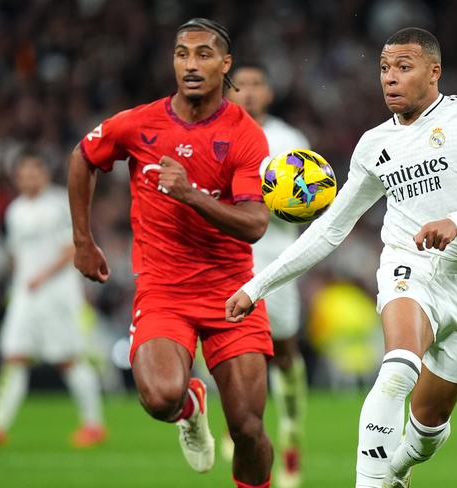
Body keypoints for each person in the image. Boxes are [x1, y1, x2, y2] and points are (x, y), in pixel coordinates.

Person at [226, 27, 457, 488]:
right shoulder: (374, 145)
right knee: (397, 369)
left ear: (434, 72)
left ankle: (396, 470)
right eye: (384, 69)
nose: (390, 79)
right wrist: (256, 287)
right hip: (409, 265)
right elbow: (330, 229)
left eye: (403, 67)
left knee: (427, 429)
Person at [67, 18, 274, 488]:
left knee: (247, 428)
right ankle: (189, 406)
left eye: (203, 54)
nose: (191, 64)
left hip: (231, 293)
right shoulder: (139, 123)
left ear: (226, 64)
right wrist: (83, 239)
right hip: (164, 289)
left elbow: (255, 225)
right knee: (160, 397)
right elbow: (83, 156)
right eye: (182, 54)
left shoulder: (245, 135)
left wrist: (190, 194)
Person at [0, 150, 106, 448]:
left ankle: (93, 425)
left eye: (34, 171)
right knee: (13, 357)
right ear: (17, 177)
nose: (29, 177)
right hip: (25, 295)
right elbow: (17, 254)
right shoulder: (15, 210)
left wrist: (42, 276)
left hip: (57, 295)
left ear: (44, 174)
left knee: (68, 360)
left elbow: (74, 247)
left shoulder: (59, 204)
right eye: (23, 173)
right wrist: (19, 284)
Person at [228, 63, 310, 488]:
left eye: (257, 84)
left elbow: (314, 197)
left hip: (277, 254)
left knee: (282, 348)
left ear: (270, 92)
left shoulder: (288, 140)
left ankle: (292, 436)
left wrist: (282, 199)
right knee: (226, 345)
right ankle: (239, 426)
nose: (248, 92)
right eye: (240, 85)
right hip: (228, 255)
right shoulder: (218, 133)